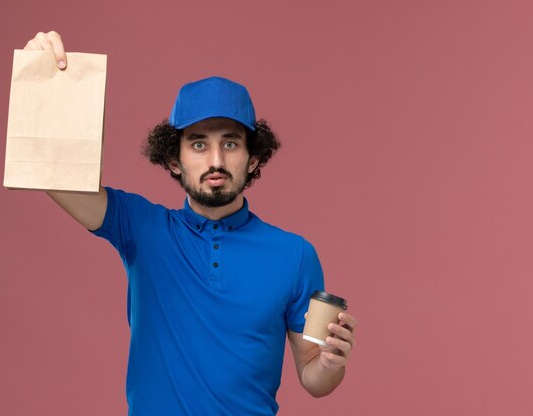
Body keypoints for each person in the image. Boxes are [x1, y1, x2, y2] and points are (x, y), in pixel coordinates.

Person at [22, 31, 357, 416]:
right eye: (198, 144)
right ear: (173, 160)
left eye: (230, 143)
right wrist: (41, 77)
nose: (215, 159)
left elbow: (313, 374)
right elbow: (48, 174)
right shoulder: (140, 228)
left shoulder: (295, 255)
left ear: (253, 159)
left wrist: (331, 364)